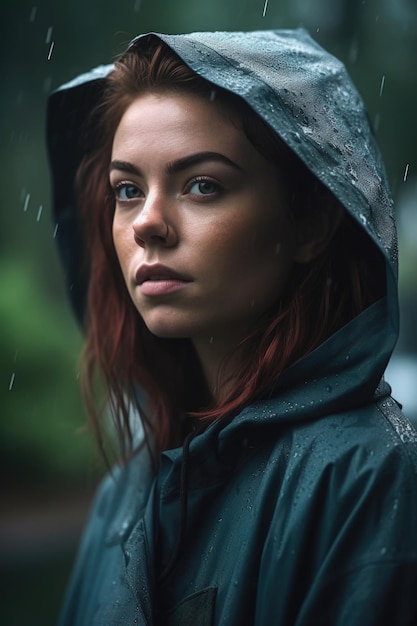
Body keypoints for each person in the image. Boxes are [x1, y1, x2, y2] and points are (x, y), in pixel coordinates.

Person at [47, 29, 417, 625]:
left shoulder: (363, 478)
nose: (147, 224)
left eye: (202, 185)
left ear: (311, 222)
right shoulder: (126, 494)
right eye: (127, 190)